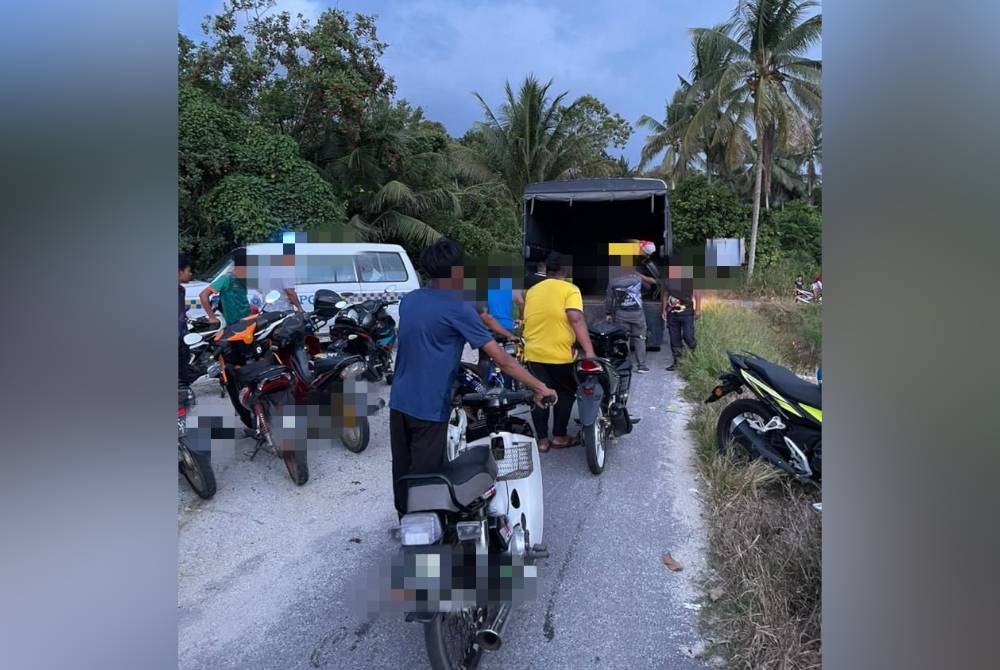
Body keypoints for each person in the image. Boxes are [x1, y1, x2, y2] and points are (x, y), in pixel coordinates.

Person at [388, 238, 555, 518]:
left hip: (399, 401)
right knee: (427, 482)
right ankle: (426, 546)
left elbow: (429, 342)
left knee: (404, 474)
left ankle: (406, 523)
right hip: (429, 407)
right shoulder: (458, 306)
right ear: (456, 272)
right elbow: (501, 359)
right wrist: (539, 386)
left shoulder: (410, 301)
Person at [522, 251, 597, 452]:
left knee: (539, 392)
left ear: (547, 270)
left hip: (533, 352)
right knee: (564, 393)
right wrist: (589, 351)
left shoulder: (532, 291)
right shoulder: (570, 289)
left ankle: (542, 441)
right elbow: (575, 318)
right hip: (559, 354)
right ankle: (559, 436)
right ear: (567, 271)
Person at [605, 256, 656, 373]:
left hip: (621, 314)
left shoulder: (613, 281)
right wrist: (637, 274)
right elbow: (650, 285)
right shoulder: (637, 278)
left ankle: (624, 364)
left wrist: (608, 313)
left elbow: (609, 299)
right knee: (640, 338)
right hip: (637, 314)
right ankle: (641, 365)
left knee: (623, 339)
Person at [476, 274, 520, 385]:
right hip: (507, 328)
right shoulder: (510, 288)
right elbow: (521, 302)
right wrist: (521, 318)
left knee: (485, 357)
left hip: (489, 329)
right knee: (509, 358)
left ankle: (484, 385)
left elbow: (483, 312)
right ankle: (508, 386)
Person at [661, 261, 701, 371]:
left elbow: (697, 292)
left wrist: (698, 309)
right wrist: (664, 310)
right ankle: (677, 362)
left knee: (688, 336)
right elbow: (665, 295)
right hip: (672, 313)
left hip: (687, 312)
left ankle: (694, 356)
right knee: (674, 338)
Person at [199, 250, 251, 326]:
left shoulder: (244, 279)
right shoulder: (226, 279)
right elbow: (203, 295)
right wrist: (212, 317)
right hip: (234, 324)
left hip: (247, 321)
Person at [179, 254, 198, 384]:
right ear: (179, 272)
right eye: (188, 271)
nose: (190, 274)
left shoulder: (181, 290)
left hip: (182, 338)